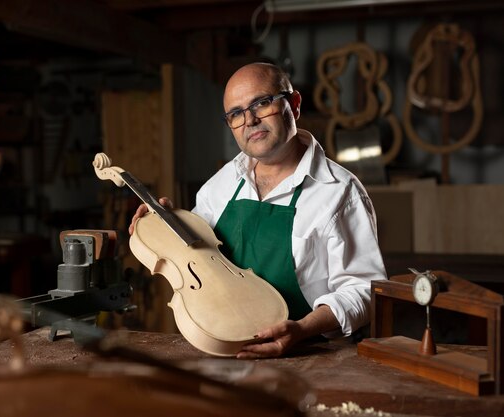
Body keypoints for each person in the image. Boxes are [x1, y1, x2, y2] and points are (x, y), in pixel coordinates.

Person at [130, 62, 387, 359]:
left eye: (262, 103)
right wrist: (164, 222)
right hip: (225, 348)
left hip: (312, 355)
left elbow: (365, 292)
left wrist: (301, 329)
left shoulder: (340, 191)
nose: (249, 120)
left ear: (294, 104)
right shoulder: (223, 183)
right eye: (236, 114)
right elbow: (197, 254)